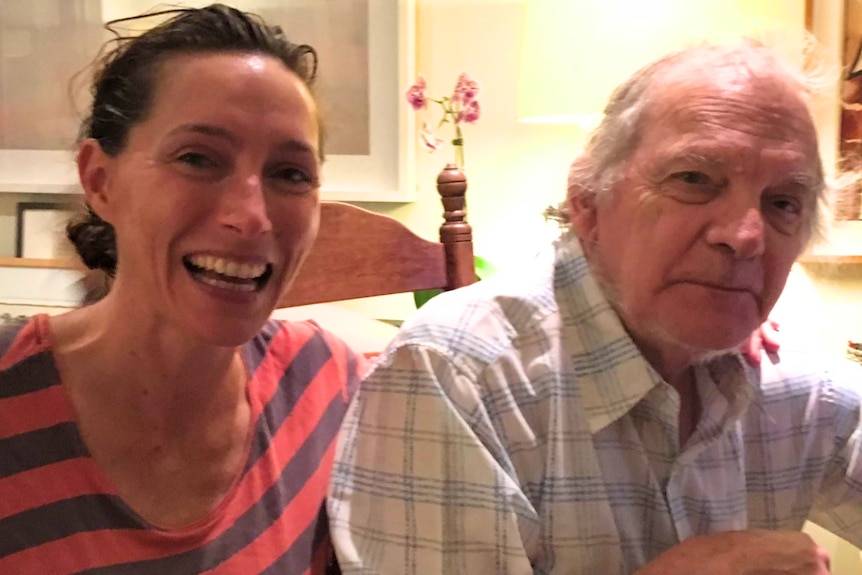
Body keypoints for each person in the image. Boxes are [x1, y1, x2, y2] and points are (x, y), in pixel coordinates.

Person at [327, 41, 862, 574]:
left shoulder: (788, 383)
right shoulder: (457, 376)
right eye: (694, 180)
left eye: (783, 203)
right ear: (587, 201)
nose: (747, 236)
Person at [0, 5, 363, 574]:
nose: (251, 216)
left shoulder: (328, 387)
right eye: (197, 159)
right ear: (100, 180)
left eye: (290, 174)